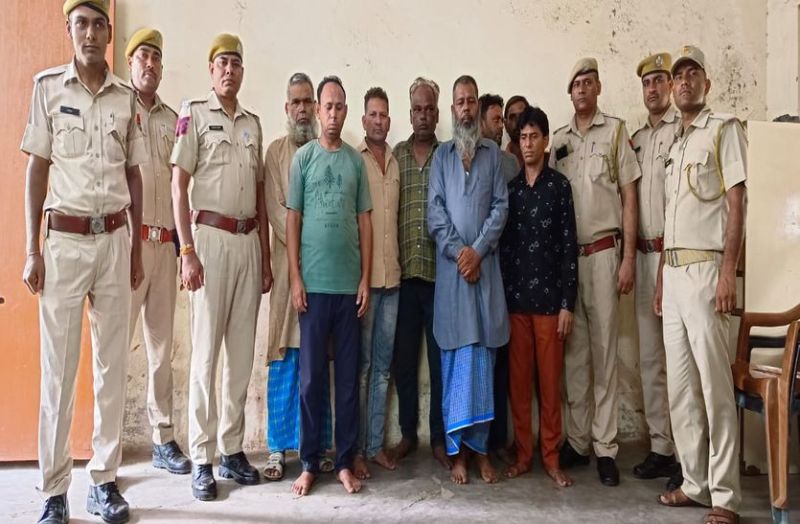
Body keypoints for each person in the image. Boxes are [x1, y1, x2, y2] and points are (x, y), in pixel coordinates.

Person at [21, 1, 147, 522]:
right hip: (64, 244)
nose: (90, 34)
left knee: (112, 368)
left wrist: (136, 248)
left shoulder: (126, 98)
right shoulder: (49, 88)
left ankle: (104, 482)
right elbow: (36, 170)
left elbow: (134, 174)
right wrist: (32, 249)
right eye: (81, 24)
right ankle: (54, 491)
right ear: (69, 29)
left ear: (109, 32)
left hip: (115, 240)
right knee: (58, 371)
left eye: (98, 24)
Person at [171, 33, 273, 501]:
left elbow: (261, 195)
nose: (229, 70)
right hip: (208, 241)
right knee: (205, 356)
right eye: (222, 63)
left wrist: (265, 256)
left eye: (236, 63)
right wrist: (187, 251)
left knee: (240, 355)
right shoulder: (194, 115)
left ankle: (232, 449)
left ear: (242, 71)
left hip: (248, 241)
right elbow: (179, 186)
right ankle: (202, 457)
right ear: (211, 70)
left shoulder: (253, 124)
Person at [655, 45, 746, 524]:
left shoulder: (723, 129)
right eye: (678, 75)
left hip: (708, 274)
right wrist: (660, 279)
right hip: (673, 277)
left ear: (706, 83)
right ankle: (695, 483)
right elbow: (671, 218)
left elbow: (737, 201)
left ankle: (726, 496)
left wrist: (729, 271)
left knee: (715, 388)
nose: (685, 81)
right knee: (682, 389)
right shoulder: (676, 144)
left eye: (693, 73)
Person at [549, 57, 641, 486]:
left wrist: (627, 259)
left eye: (589, 82)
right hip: (570, 261)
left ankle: (606, 447)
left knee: (605, 354)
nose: (582, 89)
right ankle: (579, 441)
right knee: (575, 356)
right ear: (569, 92)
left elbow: (629, 196)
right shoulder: (559, 140)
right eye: (576, 84)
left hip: (605, 254)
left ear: (598, 87)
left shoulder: (616, 132)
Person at [287, 76, 372, 496]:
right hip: (314, 289)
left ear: (345, 111)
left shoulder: (356, 163)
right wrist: (295, 277)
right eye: (328, 106)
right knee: (311, 380)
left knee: (348, 382)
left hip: (348, 290)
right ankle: (308, 463)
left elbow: (365, 221)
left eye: (340, 106)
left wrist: (365, 279)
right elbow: (293, 219)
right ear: (318, 112)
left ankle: (343, 463)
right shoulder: (303, 159)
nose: (333, 114)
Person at [428, 75, 509, 485]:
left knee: (482, 368)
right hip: (453, 279)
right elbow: (435, 213)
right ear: (452, 109)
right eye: (459, 101)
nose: (465, 108)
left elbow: (500, 208)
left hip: (484, 275)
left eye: (471, 101)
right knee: (455, 368)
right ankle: (458, 454)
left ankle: (481, 453)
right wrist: (461, 253)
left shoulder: (493, 156)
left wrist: (477, 251)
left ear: (477, 107)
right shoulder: (441, 157)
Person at [499, 106, 577, 488]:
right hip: (516, 303)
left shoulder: (559, 188)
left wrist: (567, 304)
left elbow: (568, 248)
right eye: (523, 137)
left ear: (546, 141)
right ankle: (523, 455)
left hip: (549, 306)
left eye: (534, 137)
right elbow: (504, 250)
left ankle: (551, 457)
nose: (528, 144)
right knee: (518, 387)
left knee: (549, 386)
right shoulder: (511, 191)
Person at [125, 27, 191, 477]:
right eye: (143, 56)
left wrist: (183, 248)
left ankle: (163, 438)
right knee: (113, 351)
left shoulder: (173, 119)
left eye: (156, 58)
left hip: (165, 245)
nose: (150, 64)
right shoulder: (117, 109)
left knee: (161, 349)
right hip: (128, 247)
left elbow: (181, 184)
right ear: (131, 62)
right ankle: (106, 449)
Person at [263, 72, 334, 482]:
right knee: (283, 355)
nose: (303, 109)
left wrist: (318, 242)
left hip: (323, 272)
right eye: (296, 102)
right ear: (287, 108)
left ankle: (318, 444)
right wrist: (305, 242)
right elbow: (277, 212)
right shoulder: (275, 153)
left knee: (316, 357)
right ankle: (277, 449)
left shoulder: (327, 152)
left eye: (309, 101)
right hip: (285, 271)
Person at [389, 77, 451, 470]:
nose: (423, 115)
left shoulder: (448, 156)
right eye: (417, 109)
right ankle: (409, 435)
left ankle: (440, 439)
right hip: (404, 277)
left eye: (429, 109)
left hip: (441, 278)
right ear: (409, 113)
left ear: (438, 113)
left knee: (441, 361)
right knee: (404, 361)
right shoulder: (395, 155)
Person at [630, 52, 680, 483]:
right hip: (643, 257)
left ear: (671, 85)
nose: (653, 88)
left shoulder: (682, 131)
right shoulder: (637, 140)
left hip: (675, 259)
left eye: (660, 81)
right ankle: (661, 446)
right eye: (647, 82)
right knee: (650, 359)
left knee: (679, 359)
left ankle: (686, 454)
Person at [353, 87, 402, 480]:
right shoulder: (355, 161)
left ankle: (374, 446)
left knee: (383, 368)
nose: (379, 120)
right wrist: (360, 279)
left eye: (384, 114)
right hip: (365, 283)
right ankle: (356, 450)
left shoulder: (397, 163)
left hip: (394, 280)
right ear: (363, 119)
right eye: (373, 114)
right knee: (362, 368)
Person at [478, 92, 519, 464]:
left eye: (500, 120)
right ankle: (480, 442)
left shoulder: (510, 164)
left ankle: (501, 439)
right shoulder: (467, 161)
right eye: (495, 119)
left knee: (504, 359)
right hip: (481, 267)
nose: (500, 126)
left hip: (510, 271)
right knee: (482, 358)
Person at [503, 95, 529, 166]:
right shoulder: (499, 163)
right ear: (505, 124)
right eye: (512, 117)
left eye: (522, 116)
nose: (518, 121)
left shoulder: (545, 160)